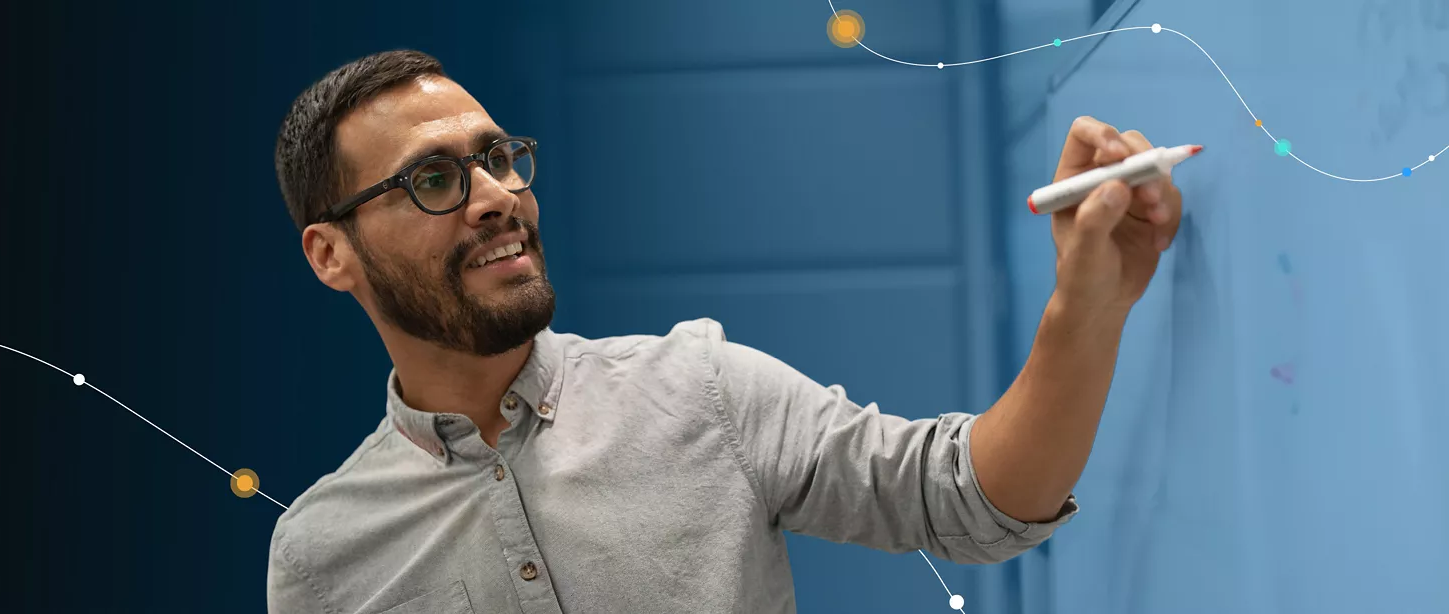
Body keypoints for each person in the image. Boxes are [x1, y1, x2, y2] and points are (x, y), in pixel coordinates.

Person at [266, 49, 1183, 614]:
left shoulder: (699, 388)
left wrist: (1085, 308)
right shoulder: (320, 558)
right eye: (435, 178)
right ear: (329, 254)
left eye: (499, 159)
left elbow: (970, 498)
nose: (500, 197)